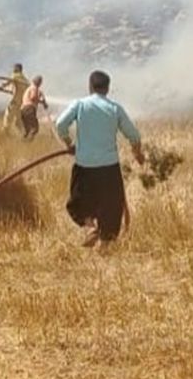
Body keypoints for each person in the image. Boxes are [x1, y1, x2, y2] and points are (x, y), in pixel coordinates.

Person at [54, 70, 143, 248]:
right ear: (108, 88)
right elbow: (134, 135)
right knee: (110, 206)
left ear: (90, 86)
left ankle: (90, 227)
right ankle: (104, 246)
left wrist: (68, 143)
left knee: (79, 201)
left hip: (84, 165)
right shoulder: (115, 108)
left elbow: (60, 124)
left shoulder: (79, 105)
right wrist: (137, 153)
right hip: (109, 167)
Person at [0, 63, 31, 134]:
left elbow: (9, 81)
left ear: (18, 68)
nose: (13, 69)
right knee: (18, 121)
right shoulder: (25, 79)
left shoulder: (15, 76)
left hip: (15, 102)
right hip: (21, 103)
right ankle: (24, 134)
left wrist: (2, 86)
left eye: (14, 68)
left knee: (8, 117)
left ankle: (5, 133)